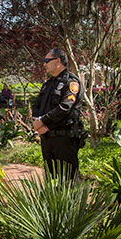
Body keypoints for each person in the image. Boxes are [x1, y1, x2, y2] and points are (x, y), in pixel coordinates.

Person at [32, 48, 84, 179]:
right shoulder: (48, 84)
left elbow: (65, 107)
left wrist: (42, 120)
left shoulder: (71, 82)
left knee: (68, 179)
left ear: (58, 61)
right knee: (51, 178)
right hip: (47, 138)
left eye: (47, 61)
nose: (44, 64)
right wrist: (38, 123)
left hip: (64, 139)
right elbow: (37, 106)